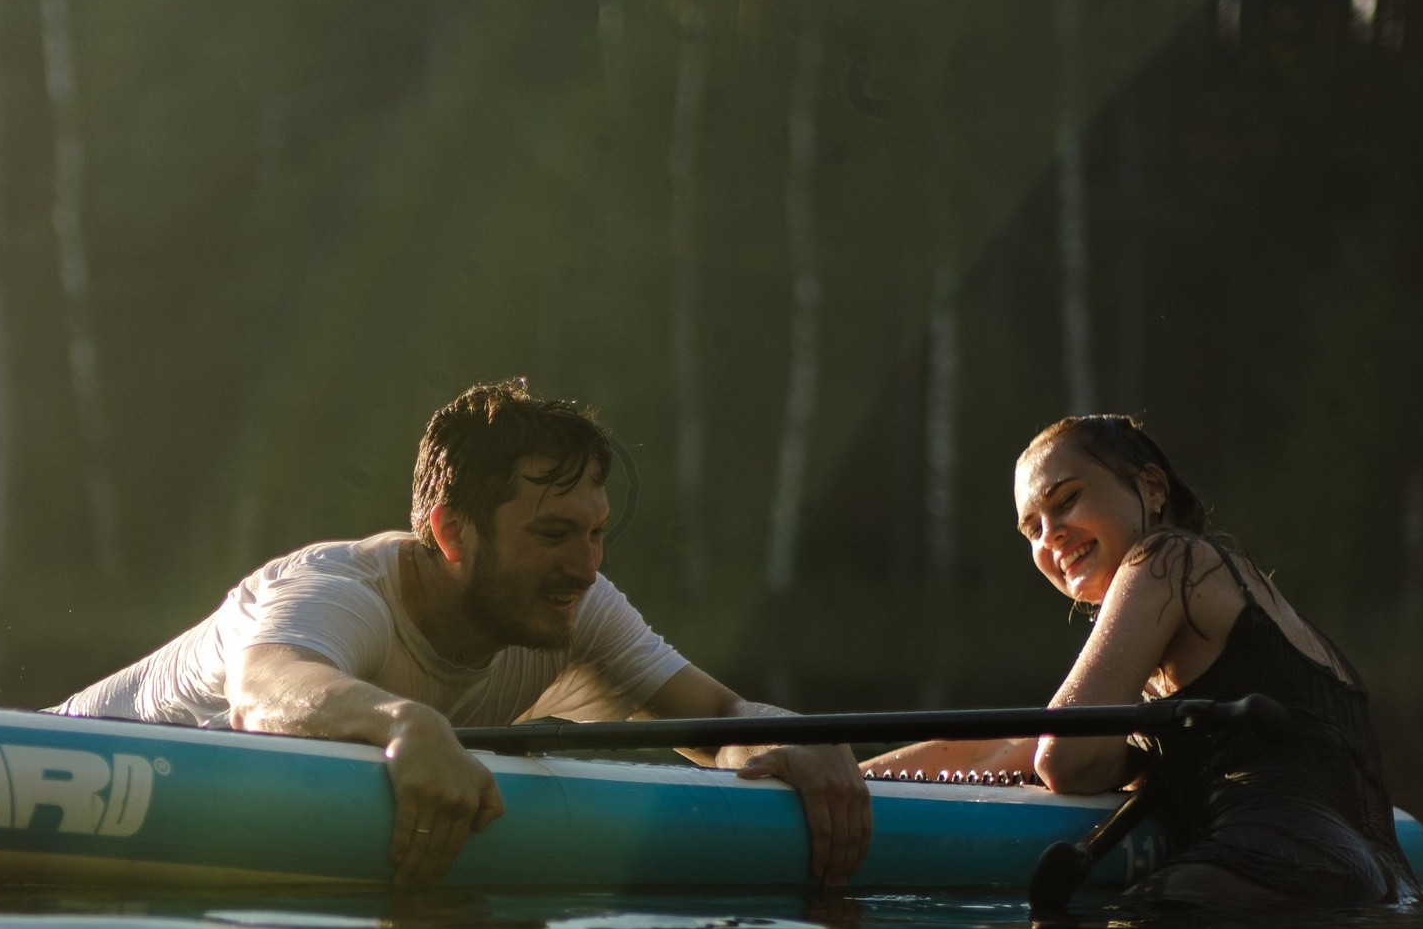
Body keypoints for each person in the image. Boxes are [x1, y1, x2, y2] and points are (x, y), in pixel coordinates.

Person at [51, 379, 871, 886]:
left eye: (596, 533)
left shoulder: (575, 606)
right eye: (554, 534)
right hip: (56, 767)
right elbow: (263, 685)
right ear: (450, 532)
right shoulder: (340, 593)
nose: (586, 565)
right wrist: (408, 725)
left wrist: (790, 740)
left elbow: (721, 721)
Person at [864, 415, 1418, 906]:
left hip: (1260, 872)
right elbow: (1017, 747)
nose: (1050, 536)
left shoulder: (1164, 559)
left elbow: (1063, 758)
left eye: (1066, 500)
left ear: (1151, 488)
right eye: (1032, 528)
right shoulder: (1263, 611)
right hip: (1383, 891)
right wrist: (856, 778)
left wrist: (1120, 761)